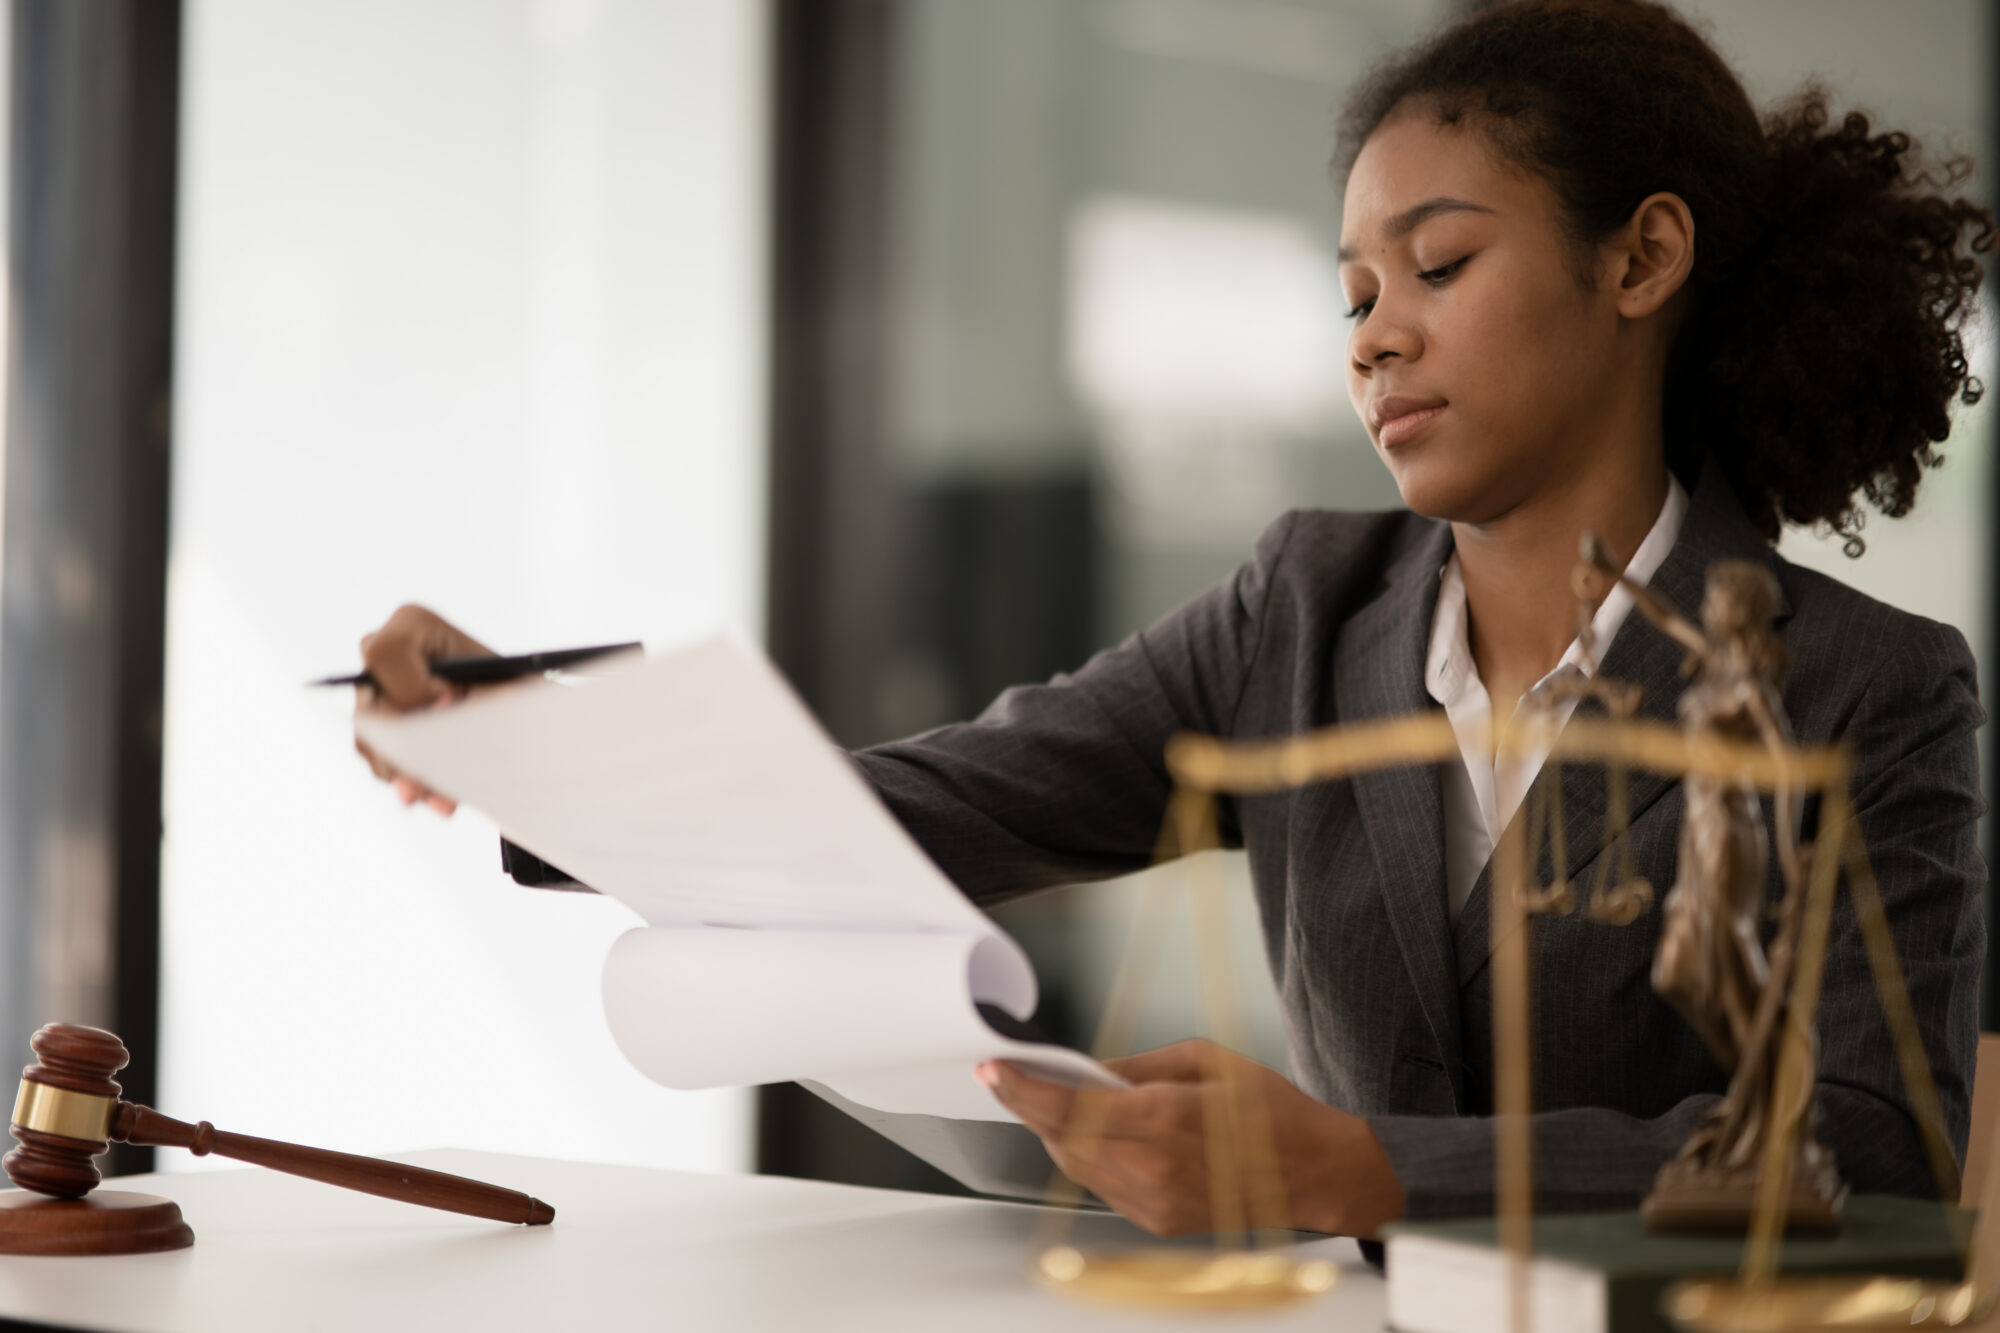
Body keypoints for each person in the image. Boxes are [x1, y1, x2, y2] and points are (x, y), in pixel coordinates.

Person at [352, 0, 1994, 1239]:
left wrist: (1360, 1166)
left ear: (1640, 260)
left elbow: (1866, 1146)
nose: (1374, 340)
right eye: (1354, 293)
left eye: (1435, 265)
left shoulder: (1869, 690)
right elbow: (934, 805)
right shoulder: (1304, 610)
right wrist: (528, 745)